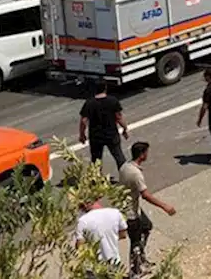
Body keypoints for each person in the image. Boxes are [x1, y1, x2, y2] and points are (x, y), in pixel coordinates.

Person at [118, 142, 175, 276]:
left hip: (129, 206)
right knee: (135, 241)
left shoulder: (125, 166)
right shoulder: (136, 174)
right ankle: (135, 271)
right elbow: (146, 195)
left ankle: (141, 260)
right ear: (142, 154)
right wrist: (165, 206)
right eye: (147, 152)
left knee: (147, 226)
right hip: (131, 212)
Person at [79, 80, 128, 172]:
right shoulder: (113, 100)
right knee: (119, 156)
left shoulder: (89, 103)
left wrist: (82, 134)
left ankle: (97, 180)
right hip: (112, 134)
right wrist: (125, 128)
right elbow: (119, 117)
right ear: (105, 88)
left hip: (96, 136)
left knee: (96, 160)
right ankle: (125, 176)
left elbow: (83, 121)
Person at [76, 200, 128, 270]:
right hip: (114, 262)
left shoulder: (83, 221)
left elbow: (80, 246)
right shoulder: (115, 213)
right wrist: (109, 238)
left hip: (94, 267)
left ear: (84, 206)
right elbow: (123, 234)